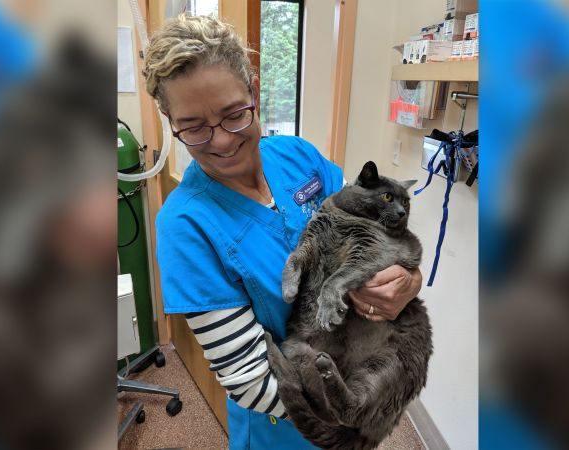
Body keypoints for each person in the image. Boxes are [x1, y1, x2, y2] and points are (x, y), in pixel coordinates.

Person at [144, 14, 422, 449]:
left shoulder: (297, 155)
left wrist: (408, 283)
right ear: (168, 118)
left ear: (253, 91)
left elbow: (380, 237)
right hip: (291, 426)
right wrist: (356, 413)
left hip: (362, 372)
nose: (220, 141)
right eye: (194, 127)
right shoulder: (185, 227)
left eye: (234, 114)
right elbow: (252, 381)